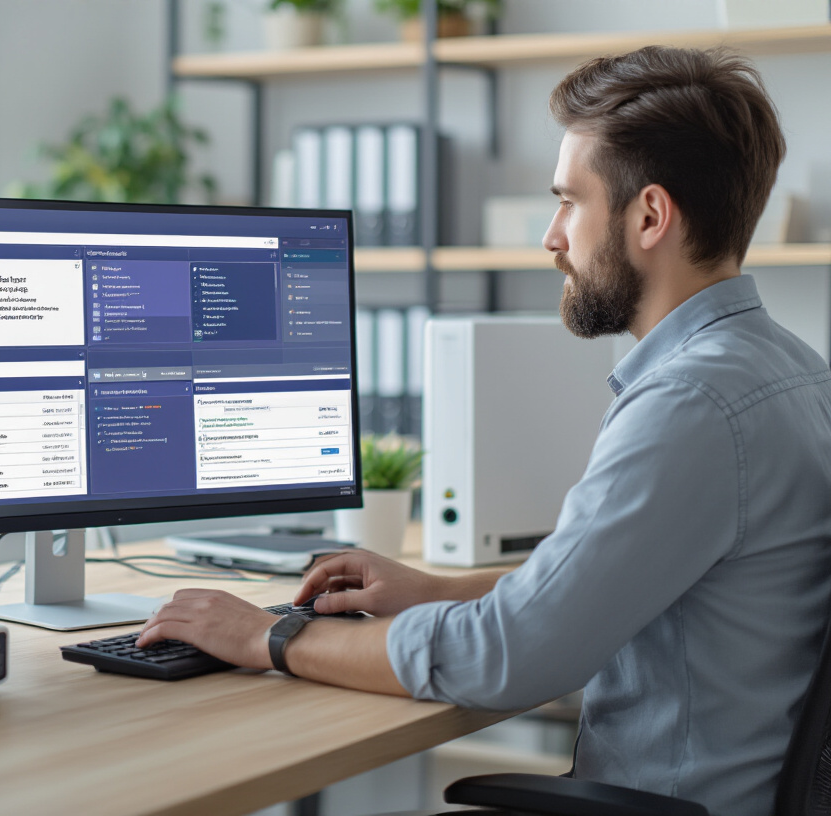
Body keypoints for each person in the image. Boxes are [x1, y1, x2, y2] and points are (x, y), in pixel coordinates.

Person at [138, 46, 831, 816]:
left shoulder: (692, 404)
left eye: (570, 201)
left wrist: (269, 638)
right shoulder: (793, 373)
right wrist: (434, 590)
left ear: (649, 216)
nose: (551, 236)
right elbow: (610, 586)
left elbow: (509, 656)